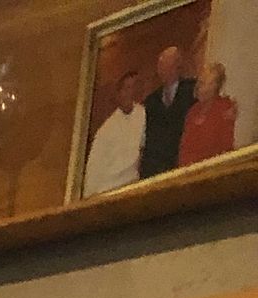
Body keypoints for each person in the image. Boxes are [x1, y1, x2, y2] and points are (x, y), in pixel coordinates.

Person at [82, 67, 148, 194]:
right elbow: (94, 169)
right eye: (127, 88)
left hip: (134, 184)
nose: (130, 93)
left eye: (134, 87)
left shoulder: (143, 114)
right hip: (108, 187)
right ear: (119, 93)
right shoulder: (106, 130)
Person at [139, 43, 197, 176]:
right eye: (160, 66)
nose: (162, 70)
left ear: (178, 66)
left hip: (184, 163)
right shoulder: (151, 101)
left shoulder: (192, 89)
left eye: (167, 64)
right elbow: (148, 137)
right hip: (157, 167)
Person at [179, 61, 238, 164]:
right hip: (188, 172)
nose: (199, 87)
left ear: (215, 86)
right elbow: (184, 148)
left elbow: (226, 148)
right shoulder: (193, 111)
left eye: (204, 83)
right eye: (199, 82)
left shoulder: (224, 109)